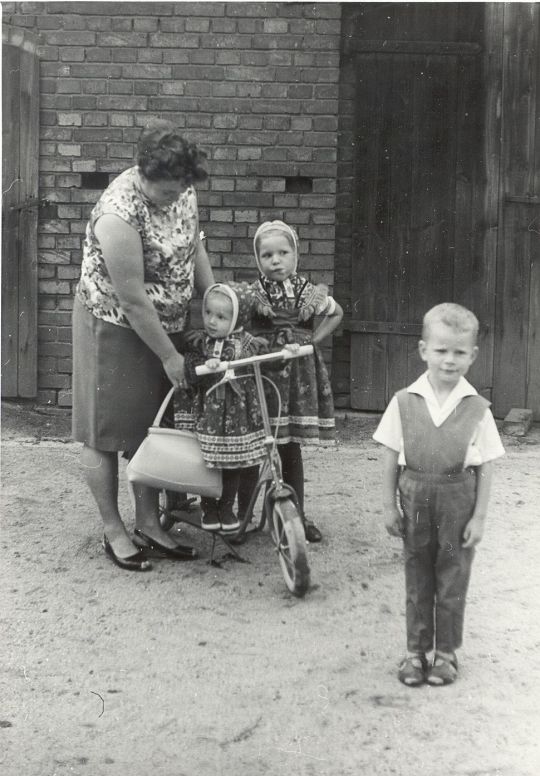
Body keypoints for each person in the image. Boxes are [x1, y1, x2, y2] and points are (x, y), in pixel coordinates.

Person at [72, 119, 214, 571]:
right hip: (113, 326)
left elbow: (195, 246)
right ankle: (114, 530)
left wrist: (213, 304)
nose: (176, 198)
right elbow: (132, 299)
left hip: (165, 323)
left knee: (148, 426)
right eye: (167, 192)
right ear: (144, 174)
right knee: (105, 430)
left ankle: (150, 524)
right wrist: (169, 356)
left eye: (180, 190)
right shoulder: (118, 211)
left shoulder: (182, 189)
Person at [373, 303, 505, 686]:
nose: (450, 360)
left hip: (457, 500)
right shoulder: (403, 401)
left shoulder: (478, 409)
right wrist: (388, 506)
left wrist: (479, 516)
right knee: (418, 575)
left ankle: (446, 654)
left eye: (459, 352)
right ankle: (415, 653)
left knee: (452, 577)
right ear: (423, 350)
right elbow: (389, 455)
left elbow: (487, 466)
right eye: (442, 350)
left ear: (473, 355)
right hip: (414, 496)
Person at [248, 220, 343, 542]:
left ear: (295, 256)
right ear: (258, 259)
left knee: (289, 447)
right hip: (263, 372)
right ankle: (243, 515)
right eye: (267, 255)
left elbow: (337, 313)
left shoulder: (307, 292)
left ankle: (297, 513)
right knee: (254, 444)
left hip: (296, 375)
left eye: (283, 253)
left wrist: (313, 340)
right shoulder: (253, 293)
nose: (276, 260)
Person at [179, 284, 268, 531]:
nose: (211, 321)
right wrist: (202, 364)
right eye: (208, 313)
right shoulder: (200, 343)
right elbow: (190, 369)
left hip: (239, 413)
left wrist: (286, 350)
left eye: (221, 317)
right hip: (210, 412)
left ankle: (228, 508)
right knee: (210, 460)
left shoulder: (247, 343)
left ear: (237, 319)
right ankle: (209, 508)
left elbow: (266, 361)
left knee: (236, 462)